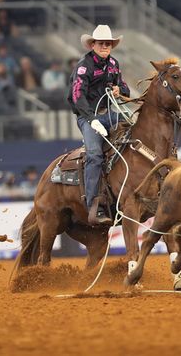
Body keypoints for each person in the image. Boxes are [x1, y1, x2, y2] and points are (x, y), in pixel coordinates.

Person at [67, 25, 130, 225]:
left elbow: (125, 87)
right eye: (102, 43)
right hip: (87, 117)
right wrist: (91, 119)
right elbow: (77, 96)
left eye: (108, 43)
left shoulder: (113, 64)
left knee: (132, 132)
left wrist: (120, 90)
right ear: (93, 44)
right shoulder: (84, 66)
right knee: (94, 154)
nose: (105, 46)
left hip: (109, 114)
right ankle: (92, 203)